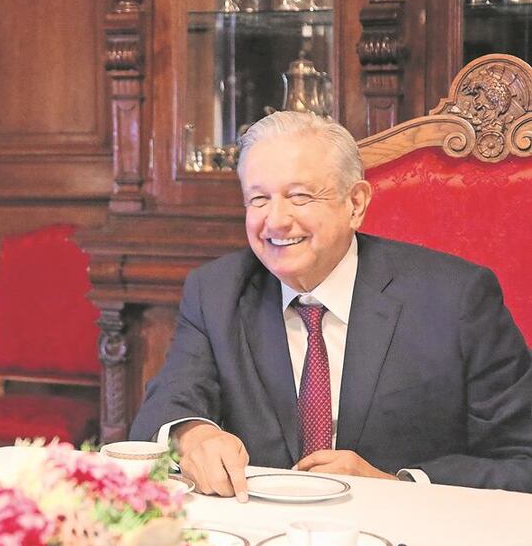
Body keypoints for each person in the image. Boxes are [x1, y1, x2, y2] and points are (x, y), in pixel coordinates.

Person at [129, 111, 532, 499]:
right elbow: (166, 403)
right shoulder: (216, 291)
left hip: (411, 540)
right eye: (258, 199)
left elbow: (522, 459)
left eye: (299, 196)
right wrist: (192, 434)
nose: (275, 221)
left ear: (355, 204)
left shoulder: (456, 298)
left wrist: (396, 484)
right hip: (258, 540)